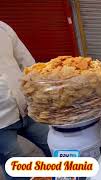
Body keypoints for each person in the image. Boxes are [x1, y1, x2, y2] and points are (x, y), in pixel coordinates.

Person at [0, 21, 51, 180]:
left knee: (54, 145)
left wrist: (41, 91)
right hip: (1, 123)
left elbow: (26, 62)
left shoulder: (3, 28)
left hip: (26, 109)